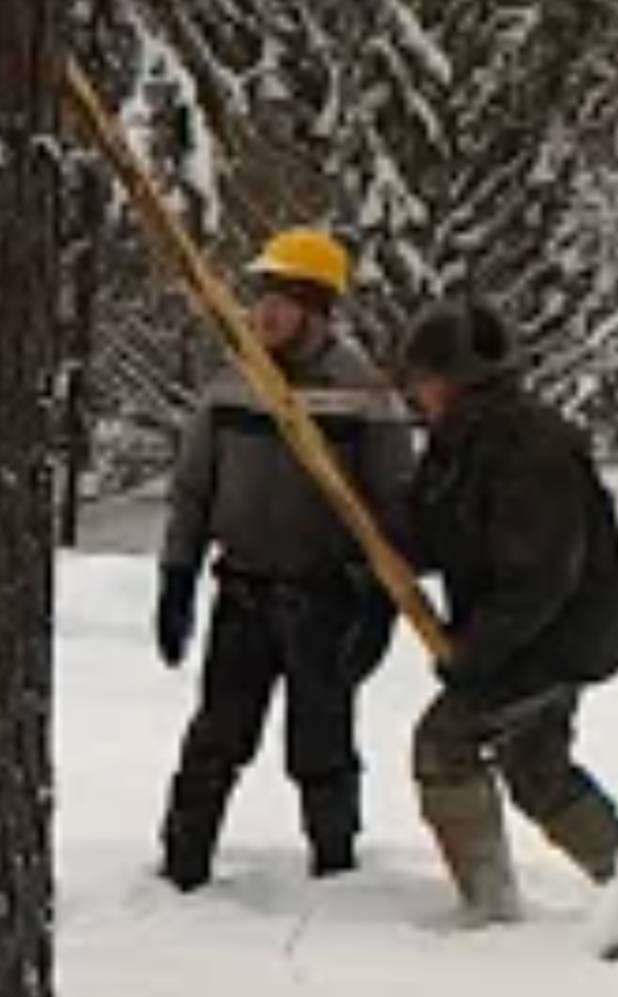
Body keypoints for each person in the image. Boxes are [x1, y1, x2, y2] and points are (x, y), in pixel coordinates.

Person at [155, 228, 414, 891]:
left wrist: (378, 602)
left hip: (324, 599)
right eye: (261, 297)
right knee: (216, 737)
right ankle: (182, 866)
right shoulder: (232, 380)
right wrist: (176, 577)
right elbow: (191, 487)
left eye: (282, 299)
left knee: (320, 747)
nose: (264, 313)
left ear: (317, 308)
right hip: (240, 594)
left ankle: (335, 873)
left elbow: (392, 508)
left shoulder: (365, 393)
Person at [397, 298, 618, 925]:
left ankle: (489, 905)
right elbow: (429, 531)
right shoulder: (453, 445)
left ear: (459, 381)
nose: (416, 392)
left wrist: (476, 653)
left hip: (553, 642)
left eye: (425, 378)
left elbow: (538, 577)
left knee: (445, 745)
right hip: (521, 637)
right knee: (538, 768)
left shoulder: (532, 450)